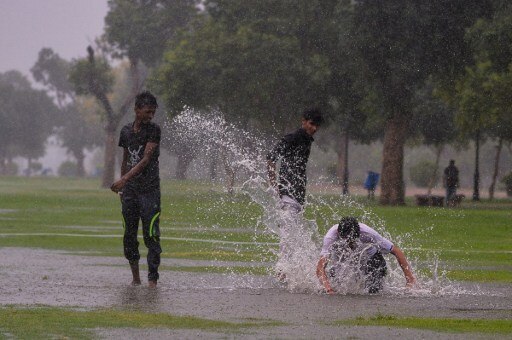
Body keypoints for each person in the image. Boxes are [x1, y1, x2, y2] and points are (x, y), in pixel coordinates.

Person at [111, 91, 162, 288]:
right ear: (136, 109)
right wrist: (123, 189)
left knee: (151, 234)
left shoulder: (154, 130)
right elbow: (125, 159)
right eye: (147, 112)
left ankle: (152, 281)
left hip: (150, 191)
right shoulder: (125, 132)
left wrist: (123, 179)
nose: (150, 116)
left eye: (153, 112)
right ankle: (136, 278)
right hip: (130, 192)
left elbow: (146, 159)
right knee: (129, 235)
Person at [316, 216, 416, 294]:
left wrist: (409, 279)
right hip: (345, 261)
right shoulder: (330, 237)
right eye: (346, 240)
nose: (349, 244)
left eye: (352, 240)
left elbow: (396, 251)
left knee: (374, 290)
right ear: (339, 233)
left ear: (358, 232)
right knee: (336, 283)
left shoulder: (369, 233)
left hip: (372, 258)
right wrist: (328, 289)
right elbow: (320, 268)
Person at [266, 108, 324, 211]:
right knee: (288, 226)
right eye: (312, 124)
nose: (314, 128)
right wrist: (274, 187)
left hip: (298, 196)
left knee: (290, 226)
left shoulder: (307, 139)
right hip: (287, 194)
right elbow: (271, 159)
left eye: (317, 125)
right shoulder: (293, 137)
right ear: (303, 121)